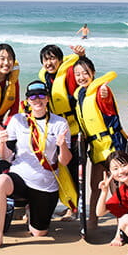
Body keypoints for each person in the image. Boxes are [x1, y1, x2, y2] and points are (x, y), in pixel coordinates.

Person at [0, 81, 71, 250]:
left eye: (41, 95)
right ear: (27, 100)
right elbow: (5, 157)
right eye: (33, 96)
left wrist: (62, 145)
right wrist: (2, 142)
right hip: (21, 177)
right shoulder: (18, 120)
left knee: (40, 233)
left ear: (47, 99)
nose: (37, 100)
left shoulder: (59, 123)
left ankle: (30, 210)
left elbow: (64, 161)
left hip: (45, 183)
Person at [72, 56, 128, 230]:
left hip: (113, 147)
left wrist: (105, 95)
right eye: (77, 74)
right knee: (95, 185)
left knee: (116, 188)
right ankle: (92, 221)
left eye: (85, 73)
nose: (81, 77)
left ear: (93, 73)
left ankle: (122, 227)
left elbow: (106, 102)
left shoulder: (102, 91)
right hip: (96, 149)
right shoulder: (80, 94)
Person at [38, 44, 85, 220]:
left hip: (74, 130)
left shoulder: (69, 74)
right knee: (60, 170)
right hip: (58, 130)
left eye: (52, 58)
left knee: (75, 170)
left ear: (60, 59)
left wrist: (81, 56)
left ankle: (77, 209)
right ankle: (69, 205)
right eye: (46, 59)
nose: (49, 62)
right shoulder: (46, 79)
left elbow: (83, 75)